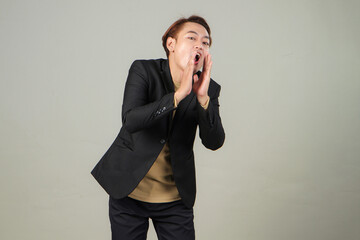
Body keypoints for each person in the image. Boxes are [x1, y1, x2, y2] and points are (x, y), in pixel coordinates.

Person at [91, 15, 225, 240]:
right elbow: (131, 120)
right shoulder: (143, 70)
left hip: (175, 199)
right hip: (128, 193)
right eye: (192, 38)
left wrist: (203, 99)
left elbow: (214, 142)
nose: (199, 45)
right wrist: (178, 96)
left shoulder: (208, 88)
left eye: (205, 42)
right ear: (171, 44)